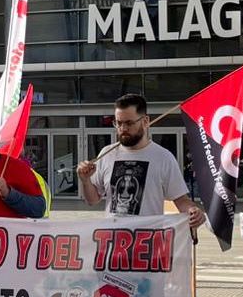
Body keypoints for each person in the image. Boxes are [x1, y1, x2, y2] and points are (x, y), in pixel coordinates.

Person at [75, 94, 204, 233]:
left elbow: (181, 200)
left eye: (129, 123)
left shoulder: (163, 157)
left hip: (149, 242)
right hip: (112, 241)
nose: (123, 128)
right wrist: (86, 181)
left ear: (145, 121)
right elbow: (92, 200)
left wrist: (193, 210)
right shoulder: (107, 154)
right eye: (118, 123)